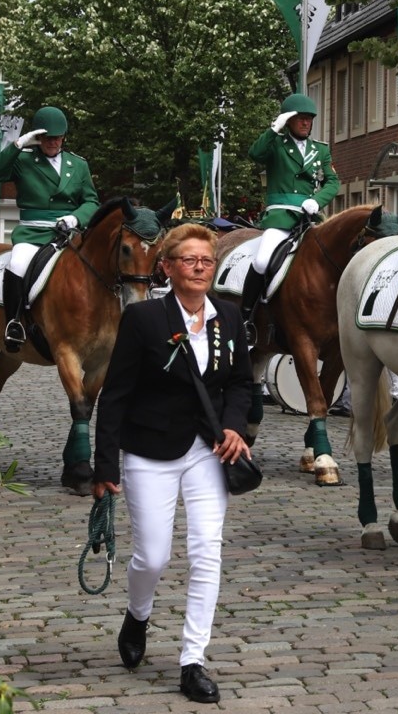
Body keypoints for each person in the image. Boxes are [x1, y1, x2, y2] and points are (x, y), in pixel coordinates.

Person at [92, 222, 253, 703]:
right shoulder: (143, 319)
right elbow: (115, 395)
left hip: (209, 450)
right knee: (154, 555)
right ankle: (138, 613)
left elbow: (242, 383)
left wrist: (234, 426)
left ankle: (192, 660)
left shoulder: (229, 316)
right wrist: (104, 467)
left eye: (207, 261)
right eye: (189, 260)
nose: (200, 268)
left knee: (207, 551)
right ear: (167, 266)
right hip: (150, 450)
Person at [0, 106, 101, 351]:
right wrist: (18, 145)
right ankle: (14, 323)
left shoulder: (78, 164)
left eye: (57, 137)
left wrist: (75, 218)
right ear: (38, 137)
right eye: (48, 138)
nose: (53, 142)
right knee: (17, 265)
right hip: (33, 233)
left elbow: (91, 201)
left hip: (69, 232)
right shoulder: (24, 160)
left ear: (64, 137)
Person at [240, 93, 339, 342]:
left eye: (309, 119)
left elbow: (333, 181)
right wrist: (274, 127)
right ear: (289, 121)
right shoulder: (276, 144)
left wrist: (317, 200)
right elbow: (255, 154)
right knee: (262, 261)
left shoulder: (321, 150)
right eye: (300, 119)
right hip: (280, 216)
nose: (306, 123)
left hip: (310, 215)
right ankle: (246, 318)